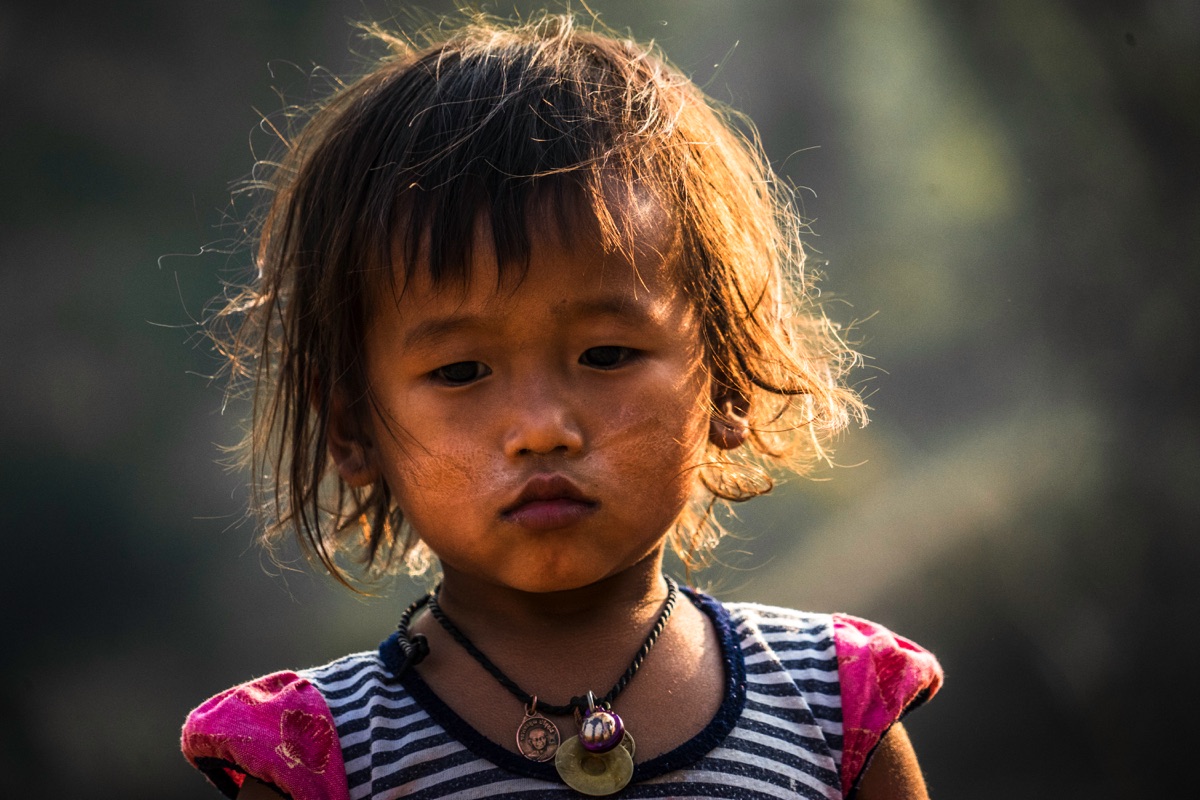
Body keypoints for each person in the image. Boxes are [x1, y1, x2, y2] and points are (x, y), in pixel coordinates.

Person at [181, 10, 942, 800]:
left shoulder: (832, 709)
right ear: (352, 427)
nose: (543, 429)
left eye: (606, 356)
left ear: (726, 377)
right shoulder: (321, 758)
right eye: (462, 370)